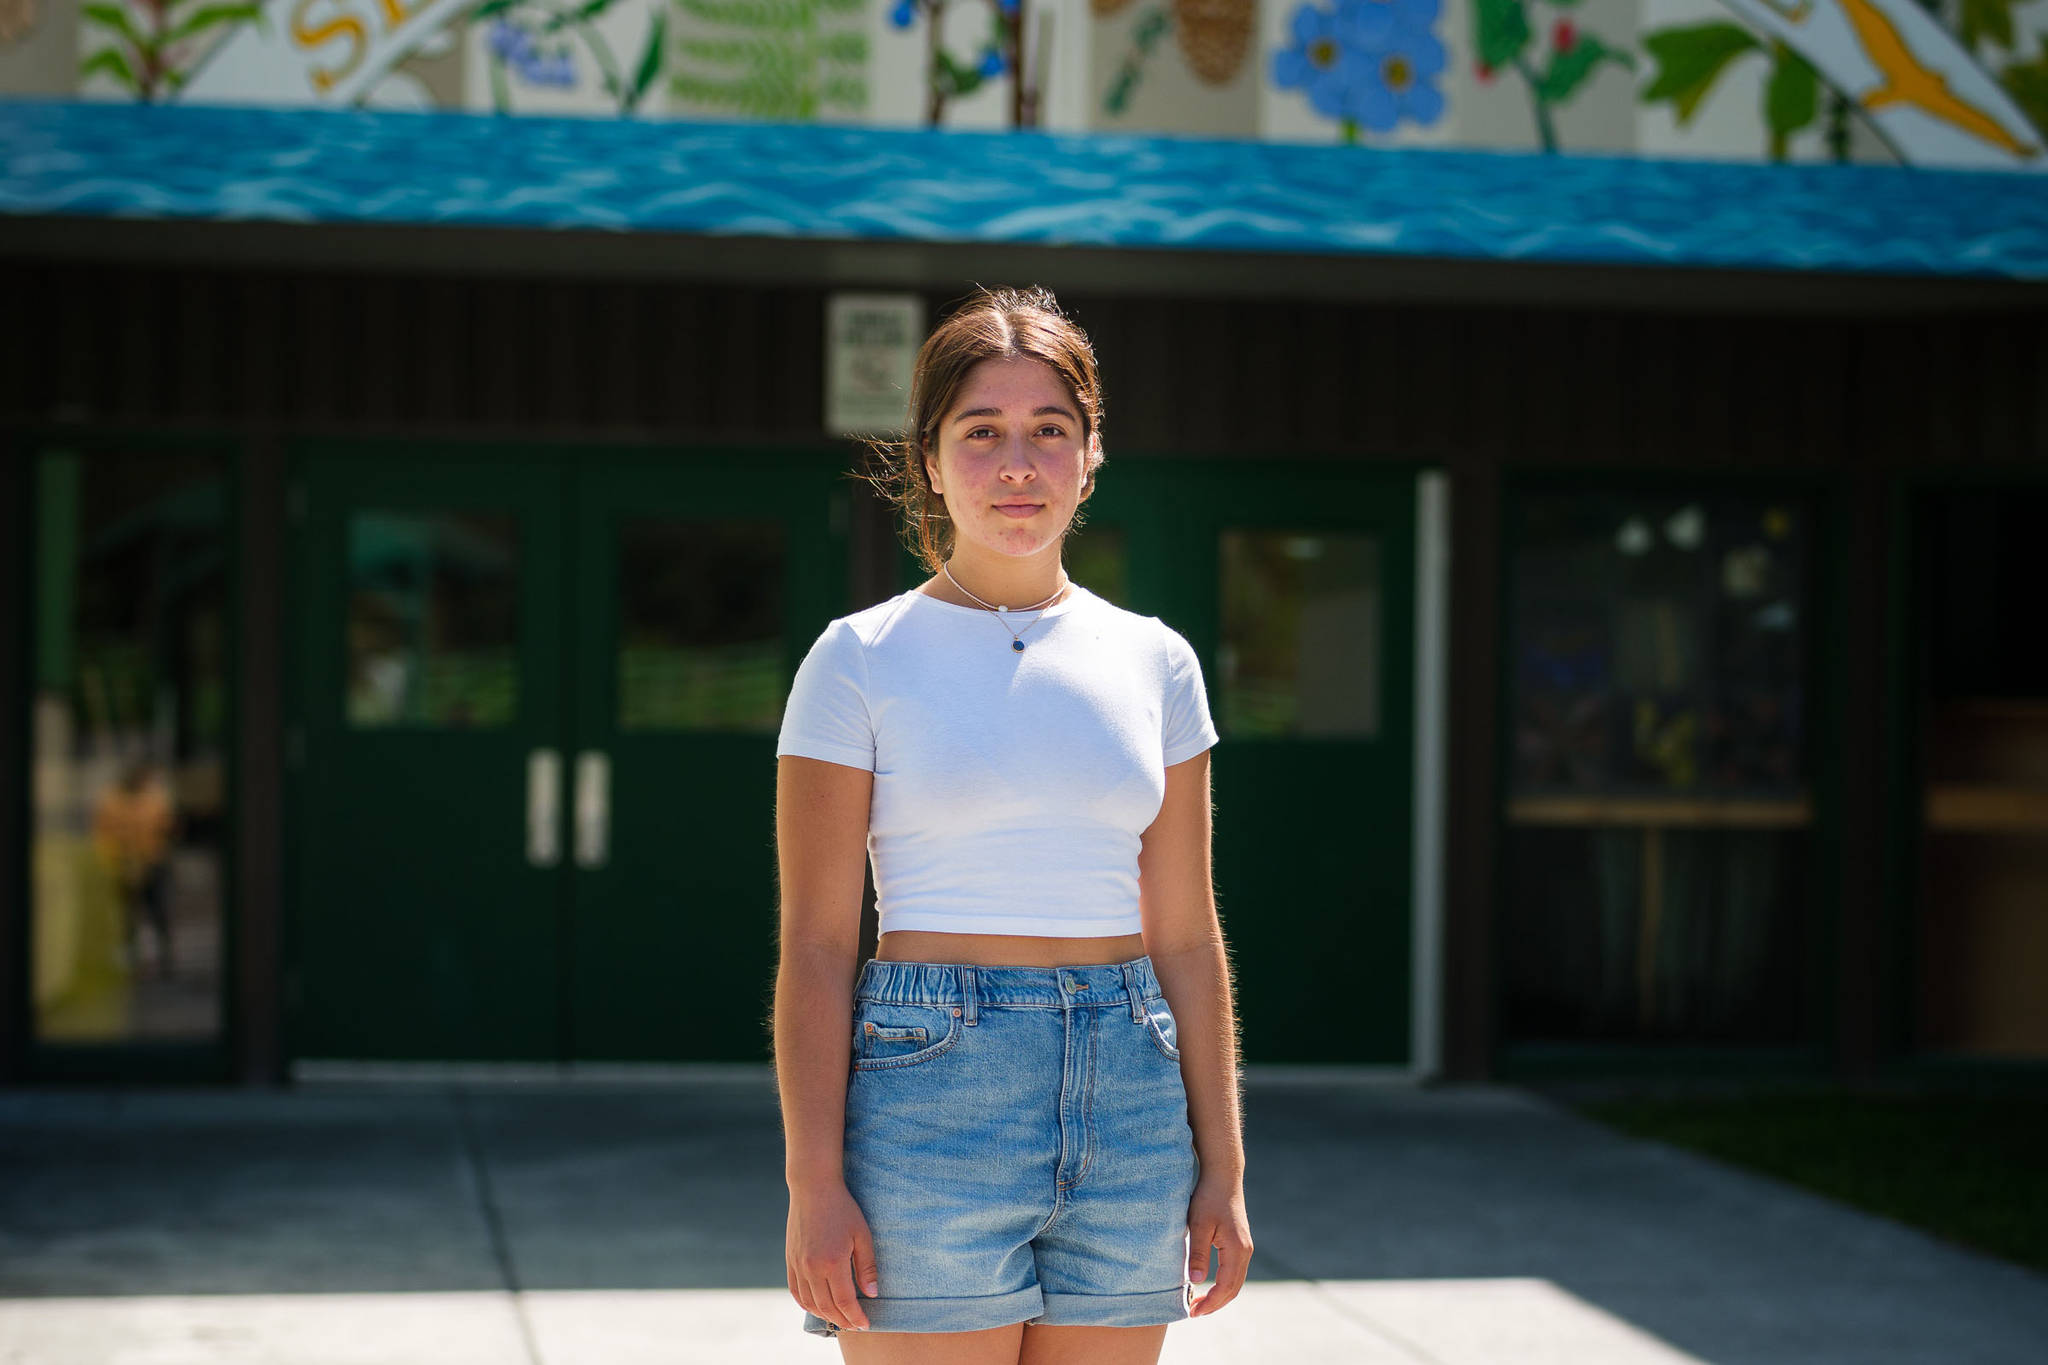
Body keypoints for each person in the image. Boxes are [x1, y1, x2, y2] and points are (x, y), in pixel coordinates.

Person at [772, 284, 1251, 1364]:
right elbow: (814, 944)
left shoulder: (1155, 661)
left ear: (1090, 457)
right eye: (979, 434)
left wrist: (1219, 1167)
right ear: (931, 460)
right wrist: (813, 1182)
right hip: (928, 1083)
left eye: (1049, 431)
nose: (1016, 465)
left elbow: (1183, 933)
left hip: (1132, 1093)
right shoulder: (857, 659)